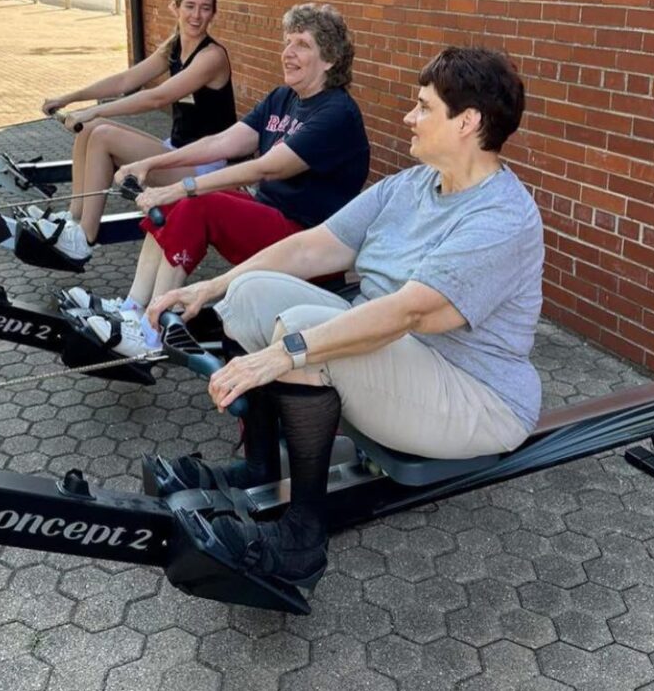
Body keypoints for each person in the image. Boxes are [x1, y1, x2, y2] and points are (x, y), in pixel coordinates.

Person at [145, 46, 544, 591]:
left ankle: (302, 543)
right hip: (404, 363)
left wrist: (286, 353)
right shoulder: (412, 185)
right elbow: (313, 247)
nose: (410, 116)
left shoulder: (500, 216)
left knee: (303, 330)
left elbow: (411, 311)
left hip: (477, 397)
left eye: (424, 107)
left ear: (468, 122)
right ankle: (260, 469)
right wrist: (211, 288)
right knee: (254, 292)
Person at [76, 3, 371, 358]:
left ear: (330, 60)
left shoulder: (337, 113)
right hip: (272, 215)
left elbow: (267, 168)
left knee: (202, 204)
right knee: (175, 203)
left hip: (310, 241)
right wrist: (150, 163)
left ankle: (150, 334)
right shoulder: (284, 98)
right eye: (287, 42)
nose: (288, 53)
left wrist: (184, 185)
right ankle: (132, 308)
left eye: (303, 45)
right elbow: (221, 142)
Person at [34, 0, 236, 261]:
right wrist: (70, 98)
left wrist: (97, 108)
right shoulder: (175, 47)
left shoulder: (211, 57)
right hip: (176, 153)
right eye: (190, 6)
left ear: (213, 13)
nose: (197, 15)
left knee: (102, 133)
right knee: (91, 129)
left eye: (205, 8)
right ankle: (73, 219)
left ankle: (83, 239)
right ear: (175, 8)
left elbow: (158, 97)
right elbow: (126, 80)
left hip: (205, 167)